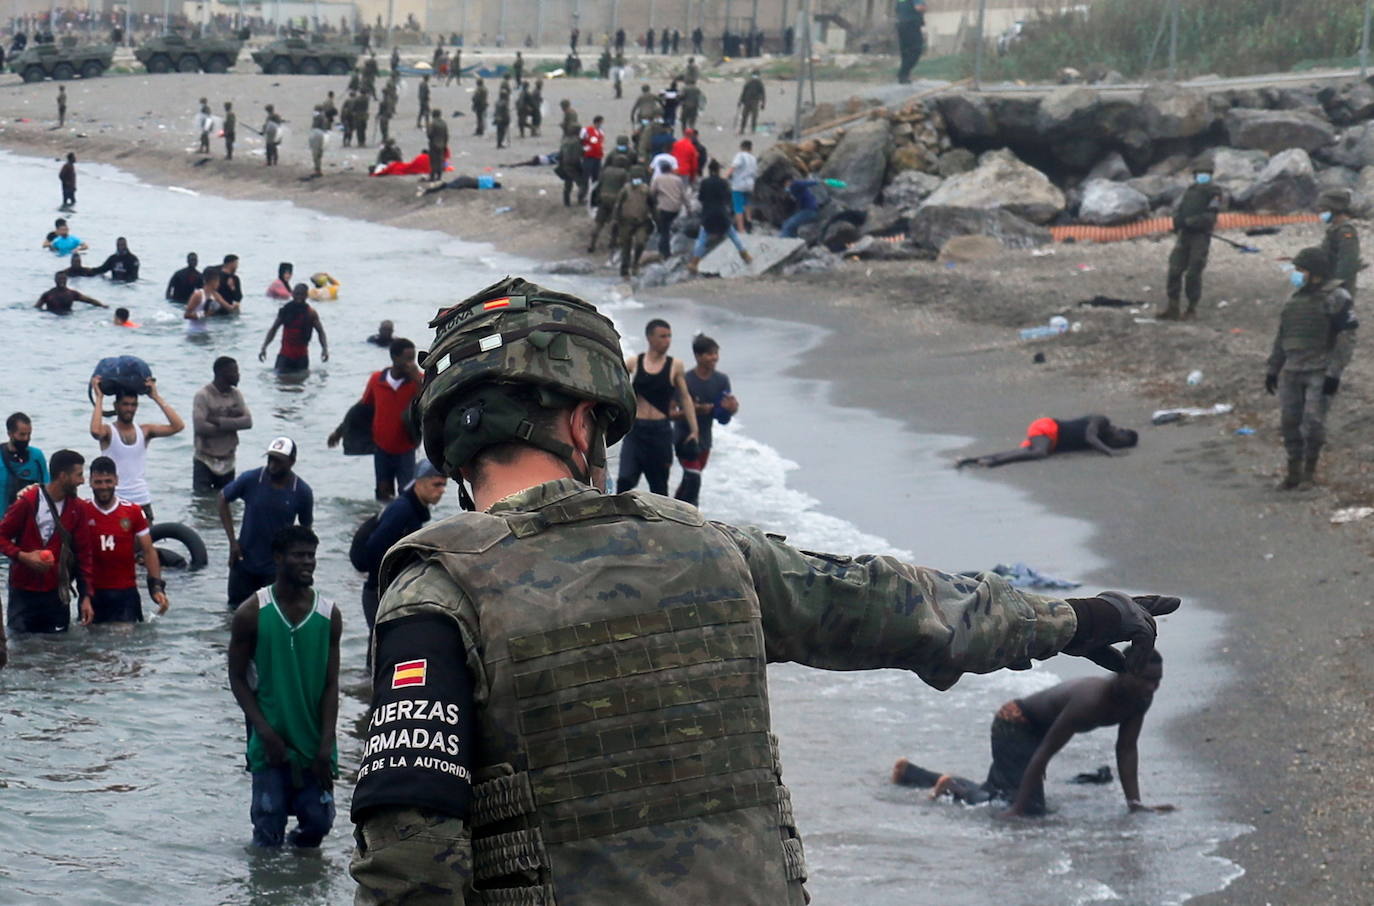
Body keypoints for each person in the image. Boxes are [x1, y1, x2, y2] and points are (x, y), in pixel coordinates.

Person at [346, 276, 1181, 903]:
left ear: (453, 440)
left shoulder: (437, 593)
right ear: (580, 421)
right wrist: (1074, 618)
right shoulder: (715, 551)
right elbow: (901, 607)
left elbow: (409, 859)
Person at [892, 650, 1173, 817]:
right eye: (1147, 679)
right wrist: (1019, 810)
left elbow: (1126, 749)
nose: (1153, 687)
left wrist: (1135, 803)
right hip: (1014, 723)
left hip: (1036, 733)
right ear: (1123, 672)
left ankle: (913, 774)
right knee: (1025, 808)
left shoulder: (1139, 699)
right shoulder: (1091, 700)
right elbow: (1045, 752)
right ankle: (953, 788)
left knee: (1001, 793)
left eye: (1157, 680)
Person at [228, 525, 340, 850]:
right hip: (269, 743)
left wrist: (326, 745)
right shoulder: (251, 613)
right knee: (267, 831)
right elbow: (237, 678)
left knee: (318, 825)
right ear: (278, 558)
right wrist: (264, 732)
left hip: (314, 743)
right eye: (298, 556)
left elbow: (331, 684)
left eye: (311, 556)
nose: (307, 562)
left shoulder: (329, 614)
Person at [1265, 247, 1358, 490]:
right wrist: (1273, 369)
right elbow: (1283, 336)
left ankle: (1309, 472)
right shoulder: (1294, 300)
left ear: (1315, 273)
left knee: (1313, 422)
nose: (1296, 274)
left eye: (1300, 270)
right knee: (1289, 421)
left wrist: (1334, 373)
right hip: (1292, 369)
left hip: (1320, 368)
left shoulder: (1337, 297)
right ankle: (1293, 472)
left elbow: (1347, 337)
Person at [0, 449, 95, 635]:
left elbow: (84, 555)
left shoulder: (77, 508)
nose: (82, 481)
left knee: (58, 647)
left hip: (56, 593)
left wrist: (86, 597)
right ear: (63, 476)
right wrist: (23, 556)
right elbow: (1, 536)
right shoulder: (28, 501)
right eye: (78, 475)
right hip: (23, 592)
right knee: (21, 645)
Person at [219, 438, 314, 608]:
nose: (272, 465)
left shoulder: (301, 491)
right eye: (270, 459)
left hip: (276, 567)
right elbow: (223, 498)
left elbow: (306, 531)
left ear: (292, 462)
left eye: (279, 461)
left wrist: (299, 564)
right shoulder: (251, 479)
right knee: (234, 610)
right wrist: (232, 542)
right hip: (244, 560)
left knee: (272, 612)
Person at [357, 461, 446, 632]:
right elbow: (375, 546)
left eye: (444, 485)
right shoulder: (403, 510)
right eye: (436, 484)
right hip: (378, 592)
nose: (442, 490)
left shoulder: (413, 508)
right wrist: (384, 583)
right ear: (418, 483)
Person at [329, 338, 421, 501]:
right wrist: (339, 432)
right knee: (382, 495)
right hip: (381, 449)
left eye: (413, 359)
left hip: (406, 449)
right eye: (407, 359)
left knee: (408, 496)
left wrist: (418, 380)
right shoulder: (377, 380)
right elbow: (361, 408)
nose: (411, 364)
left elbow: (427, 403)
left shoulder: (418, 381)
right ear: (394, 357)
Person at [618, 319, 699, 494]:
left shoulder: (675, 365)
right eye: (663, 336)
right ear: (650, 338)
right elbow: (615, 384)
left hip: (660, 432)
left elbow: (685, 397)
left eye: (669, 336)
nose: (667, 340)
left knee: (659, 487)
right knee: (625, 480)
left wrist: (694, 430)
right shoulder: (634, 362)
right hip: (635, 431)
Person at [85, 456, 168, 625]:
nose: (104, 486)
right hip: (93, 593)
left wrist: (156, 587)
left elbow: (148, 551)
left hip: (125, 593)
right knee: (91, 639)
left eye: (108, 481)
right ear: (90, 482)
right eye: (98, 482)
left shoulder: (133, 511)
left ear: (116, 480)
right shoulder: (82, 510)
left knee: (126, 639)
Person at [89, 376, 184, 521]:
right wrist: (99, 398)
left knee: (147, 535)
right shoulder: (108, 431)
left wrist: (156, 397)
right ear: (116, 406)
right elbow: (95, 431)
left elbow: (178, 426)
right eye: (125, 404)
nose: (129, 409)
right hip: (116, 501)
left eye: (133, 405)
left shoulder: (145, 431)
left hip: (141, 499)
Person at [672, 334, 738, 506]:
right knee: (694, 479)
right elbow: (671, 414)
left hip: (705, 441)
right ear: (698, 356)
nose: (714, 357)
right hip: (684, 439)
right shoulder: (685, 380)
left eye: (716, 353)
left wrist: (731, 409)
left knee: (690, 480)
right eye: (710, 354)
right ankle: (692, 516)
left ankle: (674, 509)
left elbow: (722, 418)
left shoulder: (721, 380)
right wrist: (696, 409)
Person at [1162, 155, 1223, 320]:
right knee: (1174, 270)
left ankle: (1191, 308)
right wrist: (1177, 222)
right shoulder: (1191, 191)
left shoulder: (1214, 193)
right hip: (1184, 235)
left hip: (1200, 237)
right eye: (1200, 173)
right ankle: (1173, 306)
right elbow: (1181, 209)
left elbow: (1211, 216)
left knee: (1193, 273)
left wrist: (1192, 222)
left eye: (1205, 173)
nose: (1202, 176)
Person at [955, 415, 1140, 469]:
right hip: (1048, 427)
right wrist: (1109, 452)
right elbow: (1089, 436)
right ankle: (993, 463)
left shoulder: (1100, 440)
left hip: (1051, 441)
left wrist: (1108, 448)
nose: (1118, 442)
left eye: (1121, 444)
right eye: (1121, 439)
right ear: (1120, 430)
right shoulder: (1102, 421)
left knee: (1025, 452)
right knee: (1039, 453)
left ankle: (972, 460)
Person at [193, 357, 253, 492]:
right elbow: (200, 426)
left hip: (228, 460)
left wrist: (219, 422)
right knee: (202, 500)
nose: (238, 375)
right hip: (205, 459)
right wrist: (232, 425)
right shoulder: (203, 395)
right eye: (234, 372)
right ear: (221, 373)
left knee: (226, 499)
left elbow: (248, 422)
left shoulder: (236, 394)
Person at [689, 160, 752, 272]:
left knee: (702, 239)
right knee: (733, 235)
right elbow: (728, 198)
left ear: (709, 170)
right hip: (721, 213)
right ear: (718, 170)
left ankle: (694, 263)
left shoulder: (705, 182)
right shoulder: (723, 182)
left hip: (708, 214)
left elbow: (701, 198)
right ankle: (745, 255)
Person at [259, 284, 330, 374]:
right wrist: (264, 347)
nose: (299, 297)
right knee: (280, 380)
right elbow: (274, 329)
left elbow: (321, 332)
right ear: (292, 294)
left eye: (301, 294)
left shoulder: (311, 313)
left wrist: (324, 349)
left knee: (301, 381)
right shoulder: (285, 311)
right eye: (296, 294)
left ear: (306, 296)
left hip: (302, 358)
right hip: (285, 356)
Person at [612, 164, 655, 277]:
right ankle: (624, 269)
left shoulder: (646, 190)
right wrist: (615, 219)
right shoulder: (625, 189)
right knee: (626, 246)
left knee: (640, 243)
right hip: (625, 222)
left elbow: (652, 205)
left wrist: (657, 219)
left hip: (642, 222)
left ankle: (635, 263)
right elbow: (618, 205)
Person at [0, 413, 49, 512]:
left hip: (29, 516)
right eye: (22, 435)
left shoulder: (37, 456)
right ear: (10, 434)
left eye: (29, 434)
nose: (26, 438)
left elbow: (47, 486)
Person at [1318, 188, 1360, 299]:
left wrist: (1337, 285)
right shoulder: (1334, 230)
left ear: (1334, 209)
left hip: (1340, 289)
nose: (1321, 214)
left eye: (1324, 210)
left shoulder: (1346, 231)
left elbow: (1348, 261)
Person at [650, 159, 687, 259]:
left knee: (664, 230)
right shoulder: (678, 180)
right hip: (676, 208)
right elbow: (683, 195)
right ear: (670, 169)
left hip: (664, 208)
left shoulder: (657, 179)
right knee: (668, 226)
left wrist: (653, 204)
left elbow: (652, 193)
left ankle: (665, 252)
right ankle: (667, 247)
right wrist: (688, 208)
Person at [184, 266, 236, 338]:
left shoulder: (215, 295)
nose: (219, 284)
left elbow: (229, 308)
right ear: (213, 281)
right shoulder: (198, 295)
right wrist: (204, 314)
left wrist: (233, 290)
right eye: (218, 281)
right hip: (193, 332)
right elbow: (186, 315)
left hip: (205, 330)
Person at [36, 272, 105, 314]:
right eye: (59, 279)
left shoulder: (71, 293)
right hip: (51, 317)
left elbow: (89, 300)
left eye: (63, 279)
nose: (61, 281)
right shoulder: (48, 294)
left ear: (66, 280)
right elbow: (37, 308)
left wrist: (102, 305)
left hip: (68, 317)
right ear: (55, 280)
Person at [894, 0, 928, 84]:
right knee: (916, 50)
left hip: (901, 24)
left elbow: (897, 9)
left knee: (905, 52)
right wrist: (925, 7)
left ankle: (903, 77)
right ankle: (903, 73)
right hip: (912, 25)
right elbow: (918, 7)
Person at [728, 139, 758, 232]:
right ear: (751, 148)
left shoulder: (740, 155)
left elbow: (734, 166)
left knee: (738, 207)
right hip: (750, 184)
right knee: (747, 205)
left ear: (741, 147)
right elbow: (755, 173)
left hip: (739, 184)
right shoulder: (753, 158)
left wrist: (726, 175)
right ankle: (749, 223)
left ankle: (741, 229)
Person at [556, 123, 586, 207]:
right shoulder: (577, 141)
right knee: (582, 183)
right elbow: (579, 154)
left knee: (568, 183)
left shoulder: (565, 140)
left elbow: (560, 154)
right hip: (574, 164)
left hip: (565, 164)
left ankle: (566, 202)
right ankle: (580, 199)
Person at [580, 113, 605, 191]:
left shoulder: (601, 132)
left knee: (596, 177)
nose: (601, 125)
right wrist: (584, 149)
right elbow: (580, 140)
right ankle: (583, 193)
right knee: (585, 176)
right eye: (601, 123)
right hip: (588, 157)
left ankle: (594, 194)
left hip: (598, 157)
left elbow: (601, 143)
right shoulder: (586, 130)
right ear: (597, 122)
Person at [427, 109, 449, 182]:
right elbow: (446, 135)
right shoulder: (444, 123)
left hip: (433, 144)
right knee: (440, 160)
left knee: (433, 161)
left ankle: (432, 176)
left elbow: (429, 135)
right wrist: (445, 144)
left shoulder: (432, 123)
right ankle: (439, 176)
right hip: (442, 144)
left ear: (433, 115)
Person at [309, 105, 328, 177]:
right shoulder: (324, 117)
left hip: (317, 135)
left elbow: (314, 127)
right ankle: (318, 170)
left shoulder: (317, 117)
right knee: (319, 154)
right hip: (324, 135)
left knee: (315, 155)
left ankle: (317, 170)